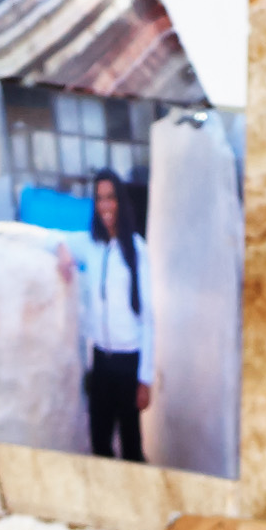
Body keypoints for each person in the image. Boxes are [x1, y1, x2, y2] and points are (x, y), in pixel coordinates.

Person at [76, 169, 152, 461]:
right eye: (99, 198)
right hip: (101, 361)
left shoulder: (137, 251)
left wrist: (145, 379)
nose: (105, 205)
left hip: (128, 361)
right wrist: (61, 252)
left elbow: (149, 318)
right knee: (99, 444)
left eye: (110, 197)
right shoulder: (91, 245)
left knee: (131, 447)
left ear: (120, 200)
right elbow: (54, 240)